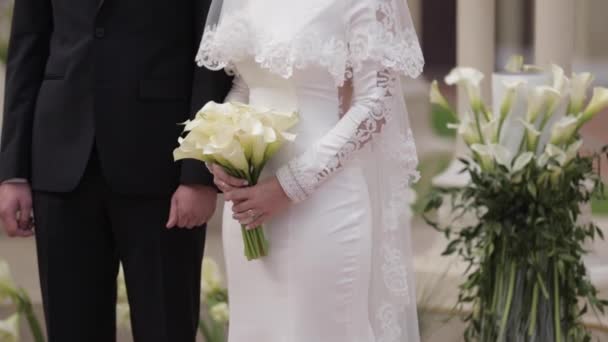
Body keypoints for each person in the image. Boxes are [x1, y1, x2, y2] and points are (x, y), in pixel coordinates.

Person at [0, 0, 231, 341]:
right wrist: (13, 172)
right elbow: (27, 45)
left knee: (166, 328)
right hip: (60, 162)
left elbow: (211, 53)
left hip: (162, 169)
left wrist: (199, 174)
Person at [201, 0, 424, 341]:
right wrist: (222, 149)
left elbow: (376, 102)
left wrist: (289, 186)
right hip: (248, 207)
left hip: (323, 207)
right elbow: (245, 87)